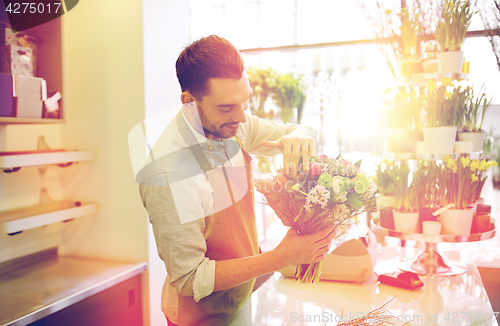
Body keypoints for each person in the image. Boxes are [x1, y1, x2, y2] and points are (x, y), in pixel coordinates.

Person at [137, 35, 337, 326]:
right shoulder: (166, 174)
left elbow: (293, 130)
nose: (242, 117)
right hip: (201, 318)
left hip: (243, 296)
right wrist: (281, 257)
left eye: (245, 101)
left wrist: (298, 138)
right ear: (189, 101)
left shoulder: (229, 122)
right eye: (227, 107)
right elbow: (190, 278)